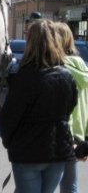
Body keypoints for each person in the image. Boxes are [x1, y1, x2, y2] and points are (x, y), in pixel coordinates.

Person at [0, 19, 78, 193]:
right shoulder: (66, 75)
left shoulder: (24, 77)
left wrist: (10, 143)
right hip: (57, 150)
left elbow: (9, 118)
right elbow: (70, 107)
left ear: (30, 44)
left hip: (27, 152)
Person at [55, 22, 88, 193]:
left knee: (48, 183)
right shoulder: (81, 65)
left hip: (59, 132)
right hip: (78, 134)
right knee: (70, 186)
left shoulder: (56, 65)